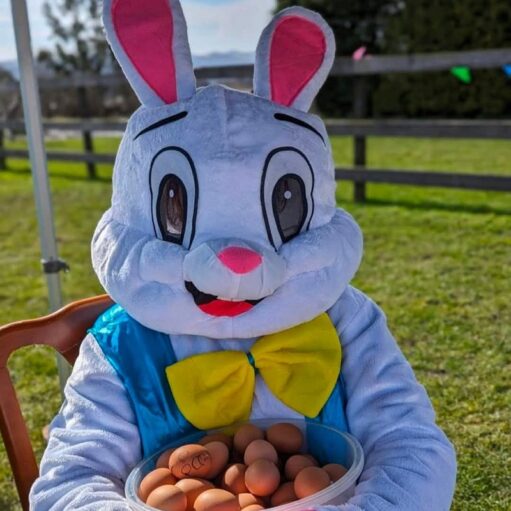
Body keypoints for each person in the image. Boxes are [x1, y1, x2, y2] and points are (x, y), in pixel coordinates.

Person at [30, 1, 456, 509]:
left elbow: (412, 446)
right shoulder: (119, 347)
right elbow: (68, 482)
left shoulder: (348, 322)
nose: (237, 267)